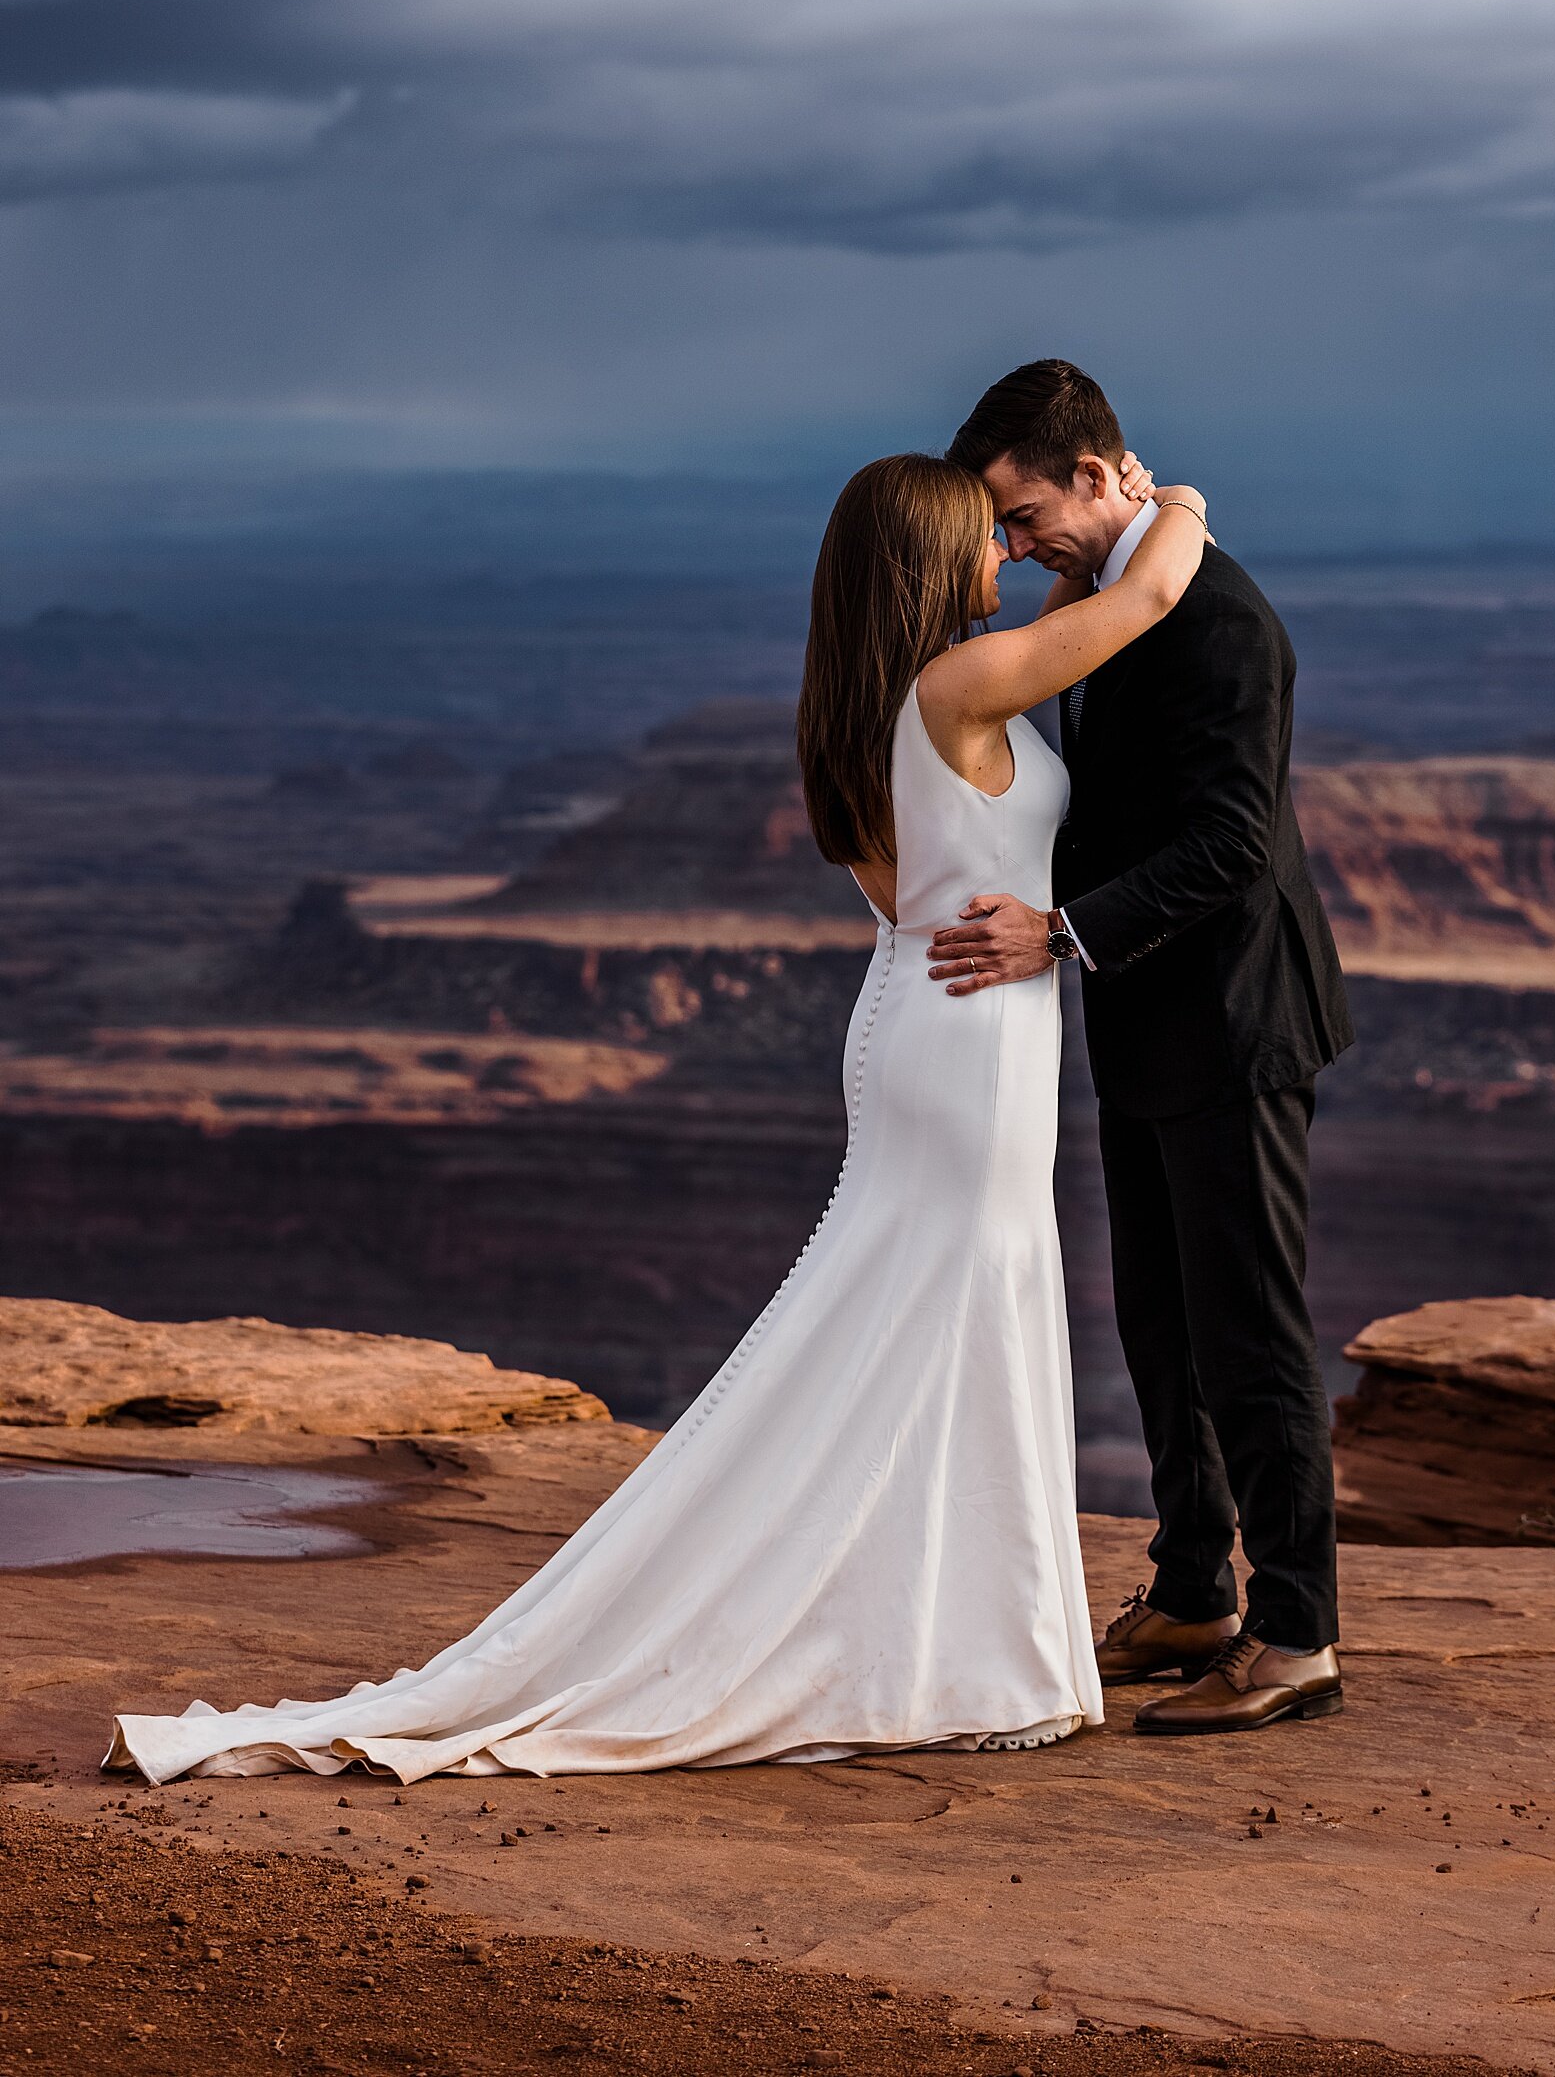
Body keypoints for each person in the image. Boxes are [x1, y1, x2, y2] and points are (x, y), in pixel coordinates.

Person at [105, 448, 1208, 1784]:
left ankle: (977, 1649)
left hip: (933, 1015)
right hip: (968, 1042)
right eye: (985, 537)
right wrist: (1175, 502)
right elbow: (1145, 602)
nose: (1009, 556)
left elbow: (907, 889)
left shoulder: (870, 704)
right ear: (927, 560)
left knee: (941, 1324)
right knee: (966, 1314)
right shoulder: (958, 685)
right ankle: (987, 1656)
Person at [937, 359, 1354, 1735]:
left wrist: (1058, 932)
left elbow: (1235, 842)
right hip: (1142, 1013)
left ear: (1102, 473)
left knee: (1247, 1324)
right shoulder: (1116, 596)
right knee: (1158, 1319)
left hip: (1233, 1014)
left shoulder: (1221, 620)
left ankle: (1295, 1630)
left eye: (1023, 509)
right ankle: (1193, 1587)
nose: (1013, 543)